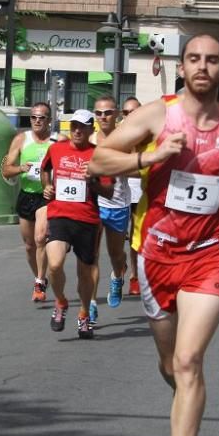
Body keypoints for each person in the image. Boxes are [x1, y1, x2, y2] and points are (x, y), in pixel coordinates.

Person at [89, 34, 219, 436]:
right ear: (182, 68)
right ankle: (190, 402)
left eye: (213, 60)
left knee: (188, 362)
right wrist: (150, 157)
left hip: (213, 252)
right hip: (157, 253)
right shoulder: (156, 117)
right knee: (171, 366)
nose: (203, 67)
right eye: (194, 59)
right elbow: (100, 159)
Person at [40, 109, 114, 339]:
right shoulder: (56, 149)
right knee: (54, 264)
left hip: (87, 220)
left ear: (91, 129)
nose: (77, 131)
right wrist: (48, 187)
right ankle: (61, 302)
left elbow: (109, 192)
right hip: (60, 215)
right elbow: (45, 169)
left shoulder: (99, 155)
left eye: (82, 127)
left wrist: (92, 182)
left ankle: (83, 313)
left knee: (84, 274)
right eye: (73, 126)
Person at [2, 101, 60, 302]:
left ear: (49, 120)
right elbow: (6, 170)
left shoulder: (57, 141)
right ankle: (40, 278)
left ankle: (39, 281)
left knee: (40, 238)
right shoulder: (21, 139)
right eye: (33, 117)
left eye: (41, 117)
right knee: (29, 246)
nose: (37, 121)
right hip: (27, 195)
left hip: (47, 197)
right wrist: (21, 169)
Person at [91, 96, 131, 317]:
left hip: (118, 205)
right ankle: (91, 304)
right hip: (93, 205)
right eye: (98, 113)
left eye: (107, 113)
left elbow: (139, 167)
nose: (103, 117)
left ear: (116, 114)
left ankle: (117, 276)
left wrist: (116, 166)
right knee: (92, 256)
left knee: (116, 254)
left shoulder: (125, 139)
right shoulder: (88, 139)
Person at [122, 97, 144, 297]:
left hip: (141, 193)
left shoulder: (149, 134)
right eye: (126, 113)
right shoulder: (117, 135)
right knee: (118, 239)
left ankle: (134, 277)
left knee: (136, 239)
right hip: (118, 195)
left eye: (134, 112)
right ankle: (119, 265)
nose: (130, 116)